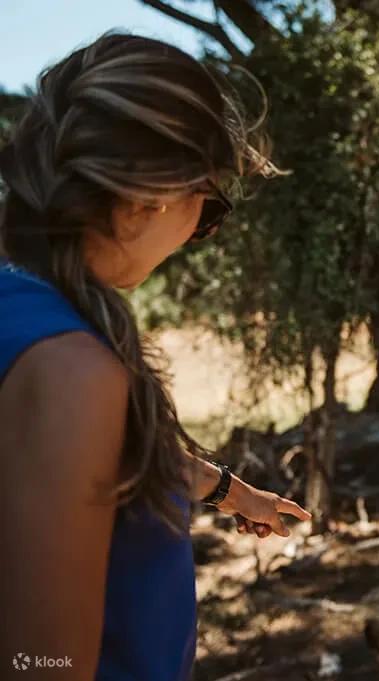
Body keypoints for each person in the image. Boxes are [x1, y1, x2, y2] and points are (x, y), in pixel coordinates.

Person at [0, 34, 311, 681]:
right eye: (210, 204)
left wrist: (231, 492)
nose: (203, 231)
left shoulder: (25, 314)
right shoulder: (71, 371)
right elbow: (43, 664)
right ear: (149, 198)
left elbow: (89, 463)